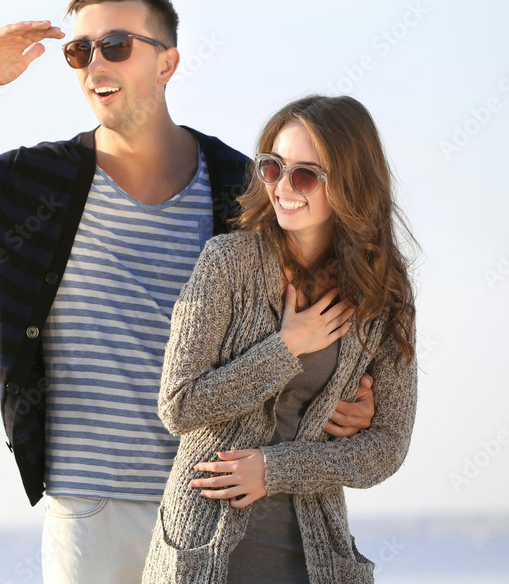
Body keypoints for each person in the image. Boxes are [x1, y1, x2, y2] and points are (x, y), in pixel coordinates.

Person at [0, 0, 376, 583]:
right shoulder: (35, 183)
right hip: (89, 508)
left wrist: (348, 394)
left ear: (167, 63)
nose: (94, 64)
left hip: (217, 503)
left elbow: (324, 305)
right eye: (79, 51)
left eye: (116, 46)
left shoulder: (243, 188)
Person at [142, 95, 418, 584]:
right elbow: (178, 405)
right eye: (273, 167)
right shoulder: (227, 263)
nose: (283, 187)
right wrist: (285, 349)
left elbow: (388, 445)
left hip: (314, 558)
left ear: (350, 183)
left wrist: (275, 469)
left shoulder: (384, 295)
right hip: (204, 551)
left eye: (305, 175)